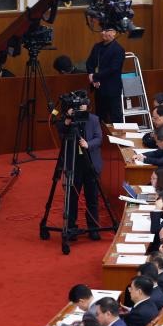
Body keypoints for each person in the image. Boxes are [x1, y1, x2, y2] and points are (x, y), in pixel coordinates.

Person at [58, 94, 104, 240]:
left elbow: (99, 138)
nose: (80, 109)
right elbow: (61, 134)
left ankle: (93, 228)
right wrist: (67, 121)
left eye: (82, 105)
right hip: (74, 163)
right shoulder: (69, 120)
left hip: (90, 162)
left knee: (92, 198)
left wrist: (88, 144)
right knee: (72, 197)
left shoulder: (94, 119)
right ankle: (71, 227)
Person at [85, 25, 125, 124]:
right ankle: (102, 138)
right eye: (102, 30)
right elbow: (89, 63)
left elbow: (113, 69)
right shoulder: (97, 47)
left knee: (115, 116)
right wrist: (92, 75)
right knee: (100, 116)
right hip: (98, 87)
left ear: (114, 33)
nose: (103, 33)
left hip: (112, 88)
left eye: (107, 30)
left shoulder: (118, 49)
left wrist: (95, 76)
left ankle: (117, 138)